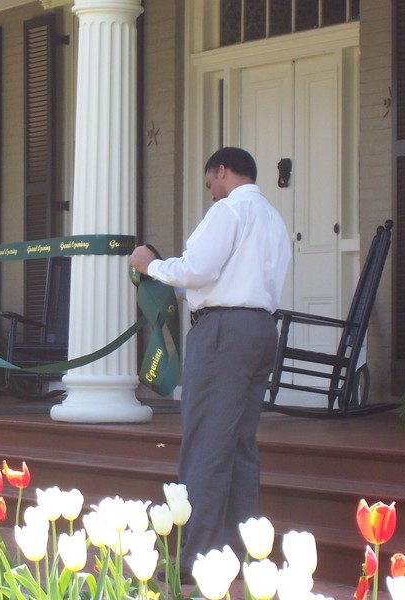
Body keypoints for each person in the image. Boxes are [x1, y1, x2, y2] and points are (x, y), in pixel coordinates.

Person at [129, 147, 291, 571]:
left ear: (222, 171)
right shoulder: (273, 219)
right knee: (239, 443)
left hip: (223, 333)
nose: (211, 195)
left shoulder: (229, 210)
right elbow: (223, 278)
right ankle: (238, 550)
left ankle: (195, 557)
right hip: (259, 330)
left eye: (210, 185)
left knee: (205, 441)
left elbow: (197, 270)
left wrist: (152, 266)